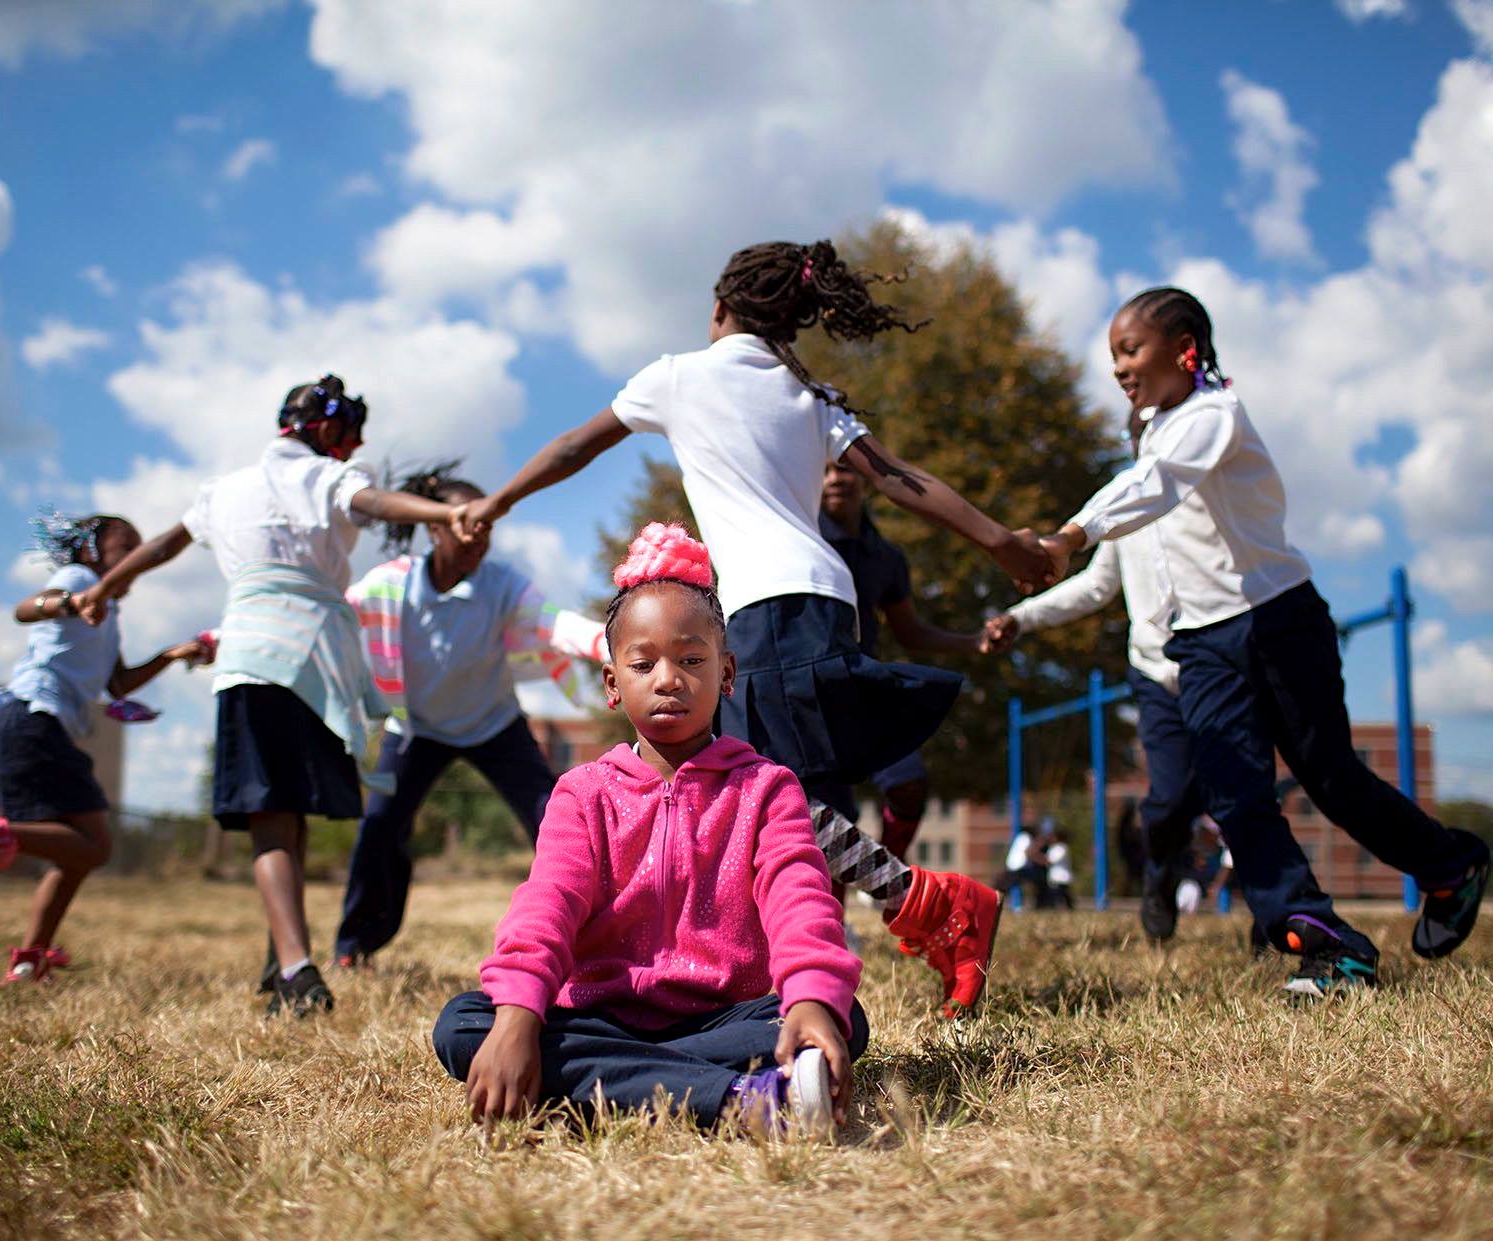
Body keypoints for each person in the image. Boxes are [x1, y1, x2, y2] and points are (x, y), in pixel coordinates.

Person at [449, 240, 1059, 1015]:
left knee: (745, 788)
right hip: (828, 604)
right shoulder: (813, 395)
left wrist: (496, 501)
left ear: (718, 308)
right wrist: (1001, 540)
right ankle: (861, 937)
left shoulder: (678, 376)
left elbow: (575, 445)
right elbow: (903, 480)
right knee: (781, 793)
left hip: (763, 609)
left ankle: (934, 907)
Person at [1033, 288, 1491, 997]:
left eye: (1131, 349)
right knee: (1231, 792)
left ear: (1185, 345)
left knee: (1330, 776)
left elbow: (1155, 484)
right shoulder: (1153, 432)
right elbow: (1144, 488)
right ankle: (1322, 940)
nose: (1119, 367)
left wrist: (1070, 533)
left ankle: (1449, 866)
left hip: (1278, 619)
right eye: (1113, 356)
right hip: (1202, 643)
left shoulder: (1215, 415)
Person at [434, 525, 864, 1136]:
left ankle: (610, 1086)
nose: (669, 679)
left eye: (692, 660)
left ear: (728, 673)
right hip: (601, 1016)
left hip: (728, 1018)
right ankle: (743, 1098)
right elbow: (548, 902)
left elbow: (799, 893)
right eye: (644, 663)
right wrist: (519, 1017)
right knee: (468, 1025)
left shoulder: (768, 788)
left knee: (842, 1016)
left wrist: (813, 998)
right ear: (613, 683)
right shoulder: (583, 794)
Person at [73, 375, 465, 1017]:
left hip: (255, 654)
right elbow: (380, 503)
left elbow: (165, 544)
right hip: (316, 658)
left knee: (273, 816)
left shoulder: (224, 490)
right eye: (350, 435)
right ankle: (295, 967)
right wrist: (446, 514)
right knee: (286, 815)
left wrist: (105, 586)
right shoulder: (329, 480)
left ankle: (284, 958)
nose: (352, 448)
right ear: (330, 432)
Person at [333, 462, 608, 968]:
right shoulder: (391, 585)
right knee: (379, 826)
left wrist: (612, 643)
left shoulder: (502, 584)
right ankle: (354, 946)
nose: (480, 538)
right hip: (416, 729)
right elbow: (330, 615)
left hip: (494, 724)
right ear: (435, 527)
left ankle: (595, 936)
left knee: (554, 817)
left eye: (488, 527)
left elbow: (554, 624)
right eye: (468, 526)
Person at [0, 511, 213, 984]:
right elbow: (25, 609)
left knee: (80, 853)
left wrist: (173, 654)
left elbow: (119, 683)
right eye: (127, 549)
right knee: (93, 846)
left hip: (32, 731)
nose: (137, 562)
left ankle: (29, 959)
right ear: (91, 551)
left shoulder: (110, 613)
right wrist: (72, 601)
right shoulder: (78, 578)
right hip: (29, 723)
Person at [986, 405, 1207, 943]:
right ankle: (1159, 879)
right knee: (1171, 796)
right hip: (1154, 669)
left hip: (1216, 661)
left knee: (1236, 789)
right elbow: (1094, 587)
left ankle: (1279, 913)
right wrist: (1022, 615)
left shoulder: (1208, 491)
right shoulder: (1121, 508)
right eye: (1142, 436)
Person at [813, 457, 1012, 862]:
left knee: (909, 784)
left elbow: (910, 631)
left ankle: (890, 874)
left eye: (845, 469)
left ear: (864, 479)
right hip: (810, 692)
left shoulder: (884, 556)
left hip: (863, 686)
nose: (836, 479)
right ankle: (833, 921)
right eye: (826, 470)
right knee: (827, 820)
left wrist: (973, 642)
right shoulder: (801, 540)